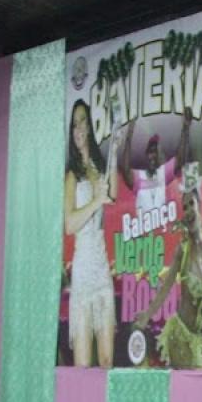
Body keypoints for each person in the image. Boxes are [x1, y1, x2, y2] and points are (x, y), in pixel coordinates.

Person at [134, 178, 202, 369]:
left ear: (200, 205)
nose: (188, 211)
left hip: (195, 338)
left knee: (196, 391)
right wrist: (147, 314)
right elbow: (165, 287)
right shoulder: (182, 250)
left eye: (191, 204)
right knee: (192, 390)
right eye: (184, 207)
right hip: (179, 336)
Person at [65, 99, 117, 369]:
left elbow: (114, 194)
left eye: (82, 121)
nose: (78, 129)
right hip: (84, 270)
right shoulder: (72, 176)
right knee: (83, 366)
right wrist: (96, 201)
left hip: (101, 268)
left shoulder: (100, 168)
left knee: (107, 360)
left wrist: (117, 148)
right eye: (74, 124)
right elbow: (70, 224)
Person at [119, 109, 192, 219]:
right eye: (151, 151)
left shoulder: (162, 173)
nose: (153, 155)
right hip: (143, 234)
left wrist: (185, 129)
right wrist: (129, 134)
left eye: (156, 152)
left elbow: (180, 159)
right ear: (146, 154)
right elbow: (125, 168)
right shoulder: (139, 176)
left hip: (162, 232)